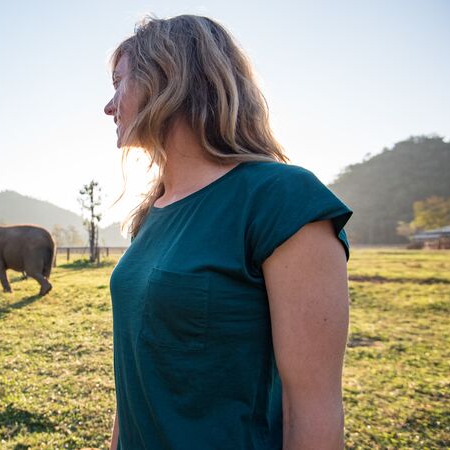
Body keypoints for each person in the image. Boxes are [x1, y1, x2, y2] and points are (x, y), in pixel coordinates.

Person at [104, 15, 352, 449]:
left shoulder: (282, 199)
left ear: (167, 80)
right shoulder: (150, 213)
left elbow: (311, 409)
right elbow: (136, 378)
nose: (109, 106)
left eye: (118, 82)